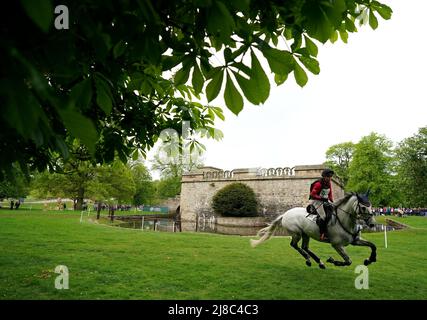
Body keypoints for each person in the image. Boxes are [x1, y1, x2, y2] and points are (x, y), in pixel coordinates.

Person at [308, 168, 335, 241]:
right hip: (316, 201)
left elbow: (330, 194)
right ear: (324, 176)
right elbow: (312, 194)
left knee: (333, 212)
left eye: (330, 177)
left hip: (325, 200)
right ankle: (322, 234)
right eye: (328, 177)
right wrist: (321, 198)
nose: (330, 178)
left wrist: (332, 202)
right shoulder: (318, 184)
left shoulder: (328, 183)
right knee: (323, 216)